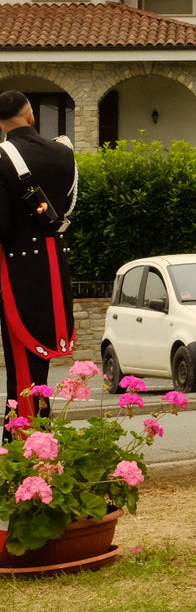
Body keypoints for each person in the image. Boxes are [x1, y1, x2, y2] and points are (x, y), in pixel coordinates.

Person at [0, 91, 77, 418]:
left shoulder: (2, 158)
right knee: (37, 363)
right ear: (31, 115)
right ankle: (38, 439)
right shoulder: (64, 153)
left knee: (21, 366)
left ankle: (25, 444)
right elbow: (69, 208)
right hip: (54, 260)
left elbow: (1, 226)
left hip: (16, 268)